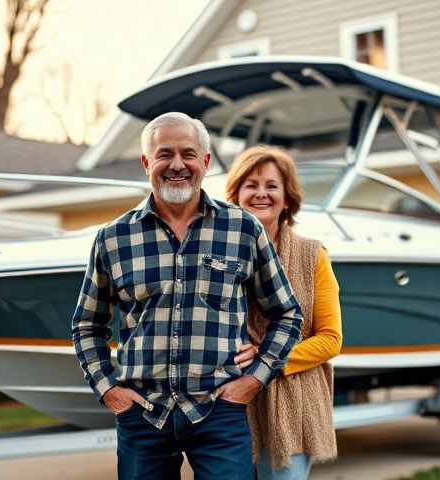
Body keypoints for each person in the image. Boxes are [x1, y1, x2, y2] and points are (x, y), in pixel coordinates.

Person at [71, 112, 304, 480]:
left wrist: (254, 379)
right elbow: (87, 324)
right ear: (147, 162)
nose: (177, 165)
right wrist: (109, 390)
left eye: (189, 154)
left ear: (206, 163)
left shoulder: (243, 229)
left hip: (220, 413)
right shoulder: (112, 239)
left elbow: (288, 314)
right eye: (164, 154)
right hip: (142, 416)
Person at [226, 145, 343, 480]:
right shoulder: (218, 252)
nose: (261, 193)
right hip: (231, 400)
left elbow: (330, 340)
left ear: (287, 198)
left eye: (271, 186)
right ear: (235, 195)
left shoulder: (312, 255)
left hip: (294, 401)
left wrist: (267, 358)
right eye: (251, 185)